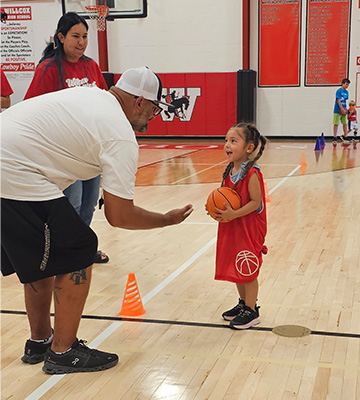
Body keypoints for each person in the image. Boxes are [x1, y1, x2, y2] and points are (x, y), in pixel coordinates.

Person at [1, 66, 193, 374]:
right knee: (80, 247)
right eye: (155, 108)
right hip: (15, 168)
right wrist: (165, 220)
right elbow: (119, 215)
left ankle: (40, 341)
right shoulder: (118, 131)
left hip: (8, 160)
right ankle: (63, 351)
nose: (155, 115)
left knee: (44, 256)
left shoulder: (90, 96)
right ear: (139, 101)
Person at [24, 12, 109, 263]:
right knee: (70, 203)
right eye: (75, 36)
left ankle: (80, 248)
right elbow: (32, 108)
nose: (81, 42)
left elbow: (104, 101)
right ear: (61, 37)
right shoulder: (48, 69)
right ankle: (61, 251)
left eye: (85, 36)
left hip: (90, 151)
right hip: (62, 153)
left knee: (89, 203)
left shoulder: (91, 66)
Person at [207, 123, 267, 330]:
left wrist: (233, 214)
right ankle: (244, 305)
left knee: (247, 268)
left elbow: (255, 203)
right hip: (233, 226)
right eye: (226, 140)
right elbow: (226, 198)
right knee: (236, 267)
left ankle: (252, 310)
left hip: (249, 228)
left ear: (249, 148)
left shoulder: (252, 173)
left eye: (233, 141)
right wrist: (216, 209)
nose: (227, 145)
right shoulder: (228, 170)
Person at [332, 78, 350, 146]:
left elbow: (344, 101)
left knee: (345, 123)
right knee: (336, 124)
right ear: (342, 84)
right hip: (337, 110)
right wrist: (341, 108)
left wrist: (346, 109)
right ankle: (334, 137)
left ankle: (345, 136)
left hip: (344, 110)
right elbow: (338, 100)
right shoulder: (339, 91)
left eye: (348, 85)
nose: (347, 86)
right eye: (346, 84)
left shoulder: (347, 92)